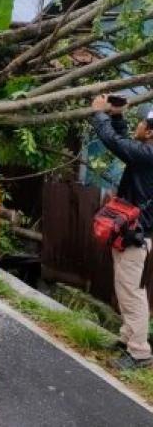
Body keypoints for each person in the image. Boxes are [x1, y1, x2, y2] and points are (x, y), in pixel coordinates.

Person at [91, 94, 153, 370]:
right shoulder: (146, 152)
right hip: (134, 233)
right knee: (125, 288)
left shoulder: (148, 154)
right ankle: (128, 338)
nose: (137, 125)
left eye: (141, 122)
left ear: (149, 132)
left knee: (131, 292)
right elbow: (124, 140)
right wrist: (115, 117)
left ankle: (139, 352)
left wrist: (99, 114)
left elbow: (116, 144)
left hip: (137, 236)